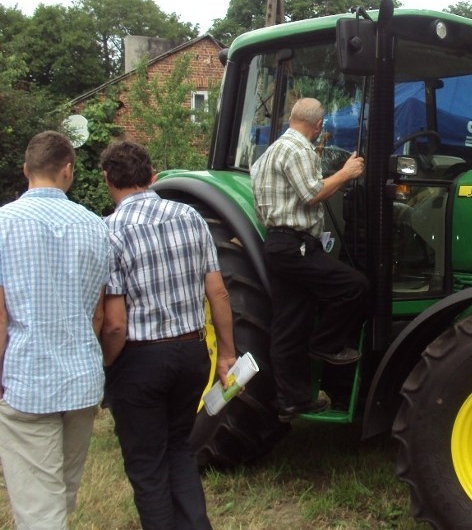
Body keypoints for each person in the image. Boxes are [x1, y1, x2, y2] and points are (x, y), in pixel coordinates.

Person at [99, 140, 236, 530]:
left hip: (140, 358)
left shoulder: (109, 230)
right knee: (178, 448)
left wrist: (107, 364)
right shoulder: (191, 217)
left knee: (147, 466)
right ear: (152, 175)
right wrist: (226, 353)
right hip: (192, 353)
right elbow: (219, 292)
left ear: (108, 179)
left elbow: (114, 323)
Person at [0, 130, 110, 529]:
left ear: (26, 170)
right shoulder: (97, 227)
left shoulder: (3, 224)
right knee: (61, 493)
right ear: (68, 171)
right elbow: (102, 317)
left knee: (38, 508)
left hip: (28, 380)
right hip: (81, 380)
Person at [250, 97, 368, 421]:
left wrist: (318, 156)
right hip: (297, 246)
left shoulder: (271, 152)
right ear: (318, 125)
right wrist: (346, 173)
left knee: (289, 325)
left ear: (292, 118)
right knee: (354, 285)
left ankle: (292, 401)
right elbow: (312, 193)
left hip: (278, 244)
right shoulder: (298, 150)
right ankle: (327, 344)